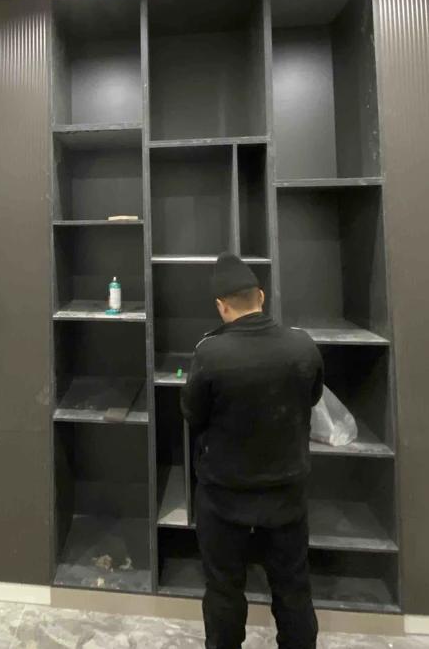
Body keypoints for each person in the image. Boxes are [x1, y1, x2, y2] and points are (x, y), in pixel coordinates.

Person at [181, 252, 324, 649]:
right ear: (260, 296)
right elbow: (312, 398)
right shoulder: (303, 346)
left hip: (224, 496)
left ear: (221, 306)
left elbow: (192, 413)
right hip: (286, 495)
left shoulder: (210, 354)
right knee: (293, 589)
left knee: (224, 589)